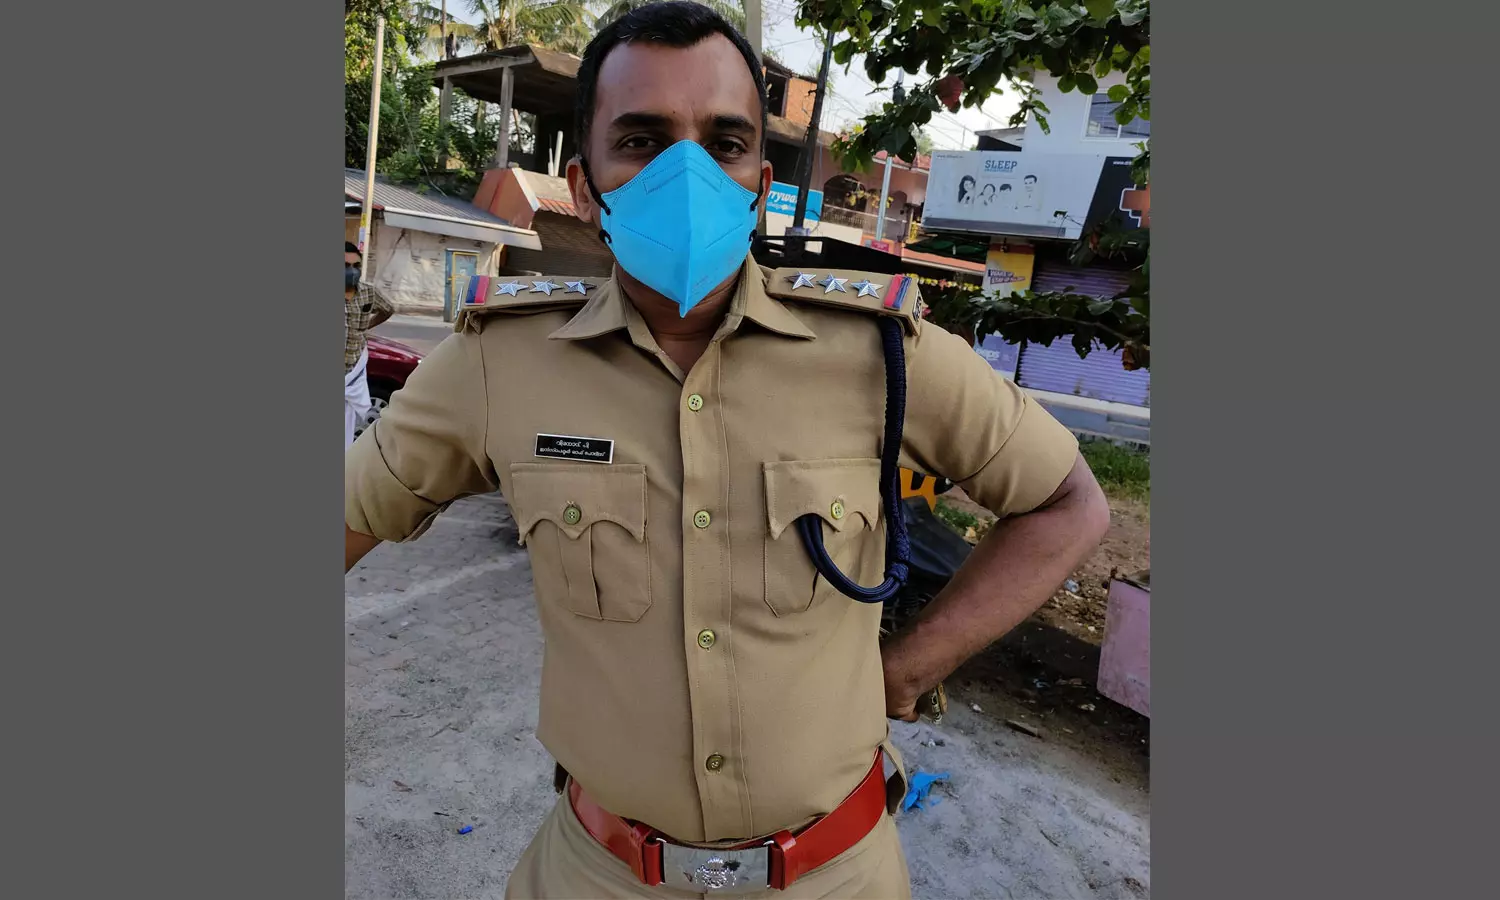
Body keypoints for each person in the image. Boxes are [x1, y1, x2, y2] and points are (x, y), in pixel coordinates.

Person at [343, 4, 1111, 897]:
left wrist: (908, 669)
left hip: (837, 876)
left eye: (725, 143)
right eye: (642, 141)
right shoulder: (499, 362)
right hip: (598, 875)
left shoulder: (880, 350)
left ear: (759, 180)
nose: (689, 175)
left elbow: (1067, 504)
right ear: (584, 187)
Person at [344, 241, 393, 448]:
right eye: (346, 266)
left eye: (356, 266)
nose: (351, 271)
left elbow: (388, 309)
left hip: (353, 370)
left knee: (350, 423)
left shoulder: (368, 293)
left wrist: (366, 327)